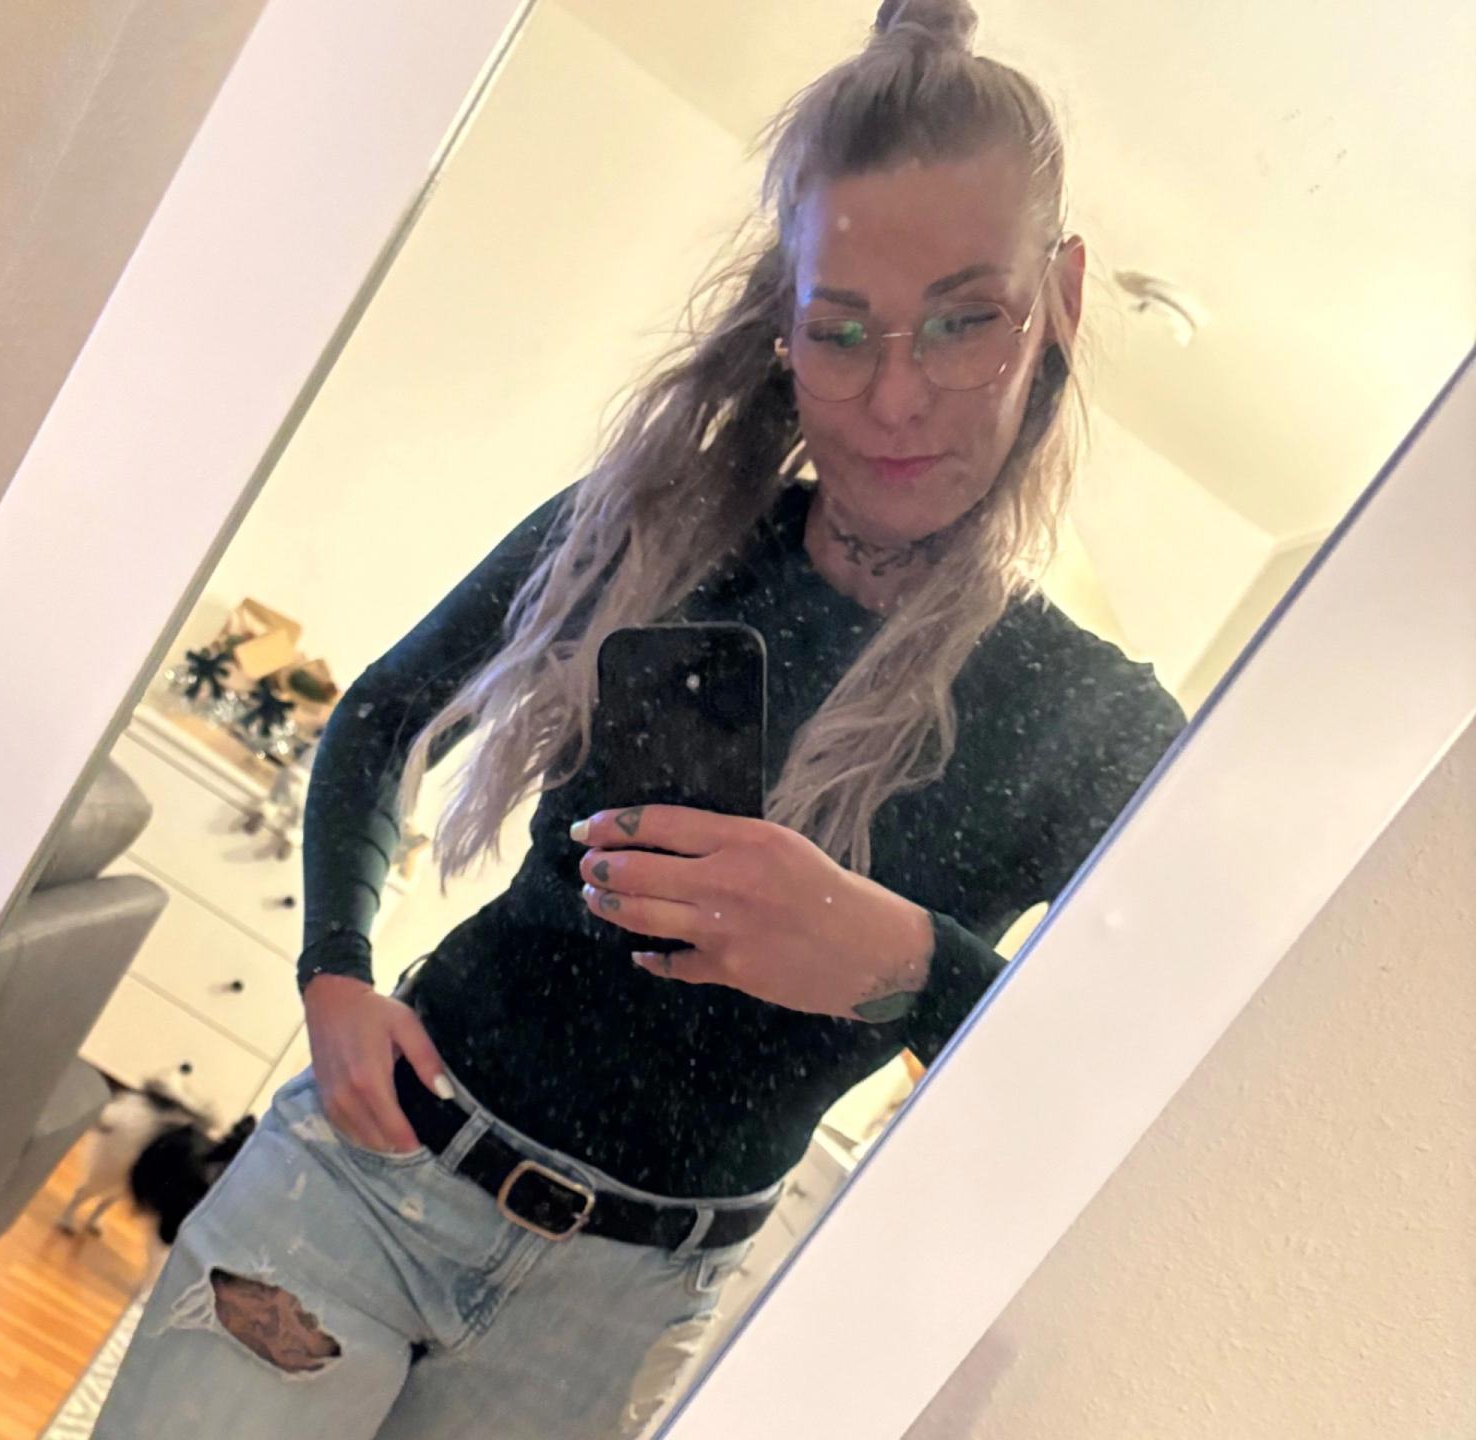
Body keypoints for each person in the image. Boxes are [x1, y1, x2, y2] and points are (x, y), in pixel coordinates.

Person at [91, 2, 1183, 1435]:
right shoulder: (656, 524)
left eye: (965, 320)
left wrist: (902, 964)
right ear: (783, 325)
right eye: (840, 330)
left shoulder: (1094, 723)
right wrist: (335, 974)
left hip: (620, 1320)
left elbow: (1150, 1066)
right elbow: (390, 711)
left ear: (1063, 296)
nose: (897, 396)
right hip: (372, 1173)